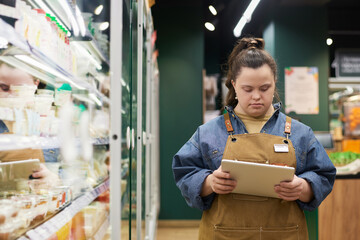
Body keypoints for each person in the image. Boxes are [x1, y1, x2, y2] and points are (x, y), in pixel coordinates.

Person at [172, 37, 336, 240]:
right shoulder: (209, 133)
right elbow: (184, 172)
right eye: (248, 89)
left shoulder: (300, 133)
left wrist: (303, 188)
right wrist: (210, 182)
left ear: (275, 82)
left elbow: (324, 175)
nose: (256, 96)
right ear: (234, 84)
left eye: (265, 88)